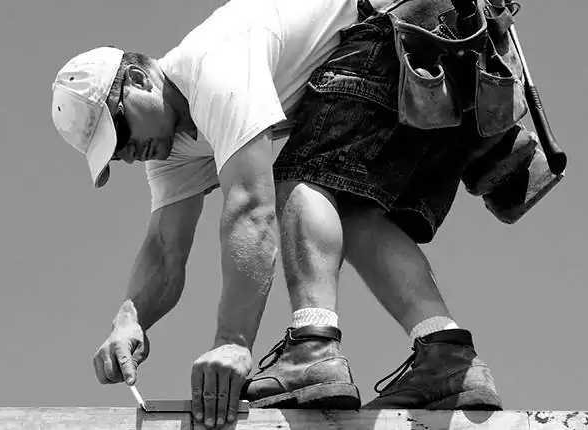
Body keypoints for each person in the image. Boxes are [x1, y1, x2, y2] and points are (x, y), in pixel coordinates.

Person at [49, 0, 518, 426]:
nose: (126, 152)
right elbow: (165, 249)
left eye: (119, 129)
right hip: (448, 48)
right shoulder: (172, 148)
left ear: (138, 79)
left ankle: (313, 347)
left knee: (298, 184)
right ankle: (446, 355)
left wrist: (233, 341)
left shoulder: (212, 66)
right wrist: (131, 319)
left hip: (412, 27)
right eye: (113, 154)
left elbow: (251, 209)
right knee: (351, 208)